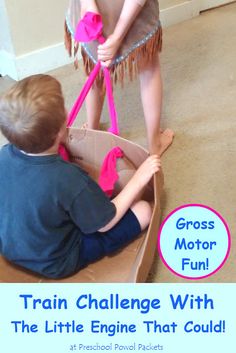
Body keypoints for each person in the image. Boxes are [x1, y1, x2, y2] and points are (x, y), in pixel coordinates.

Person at [0, 74, 161, 279]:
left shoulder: (4, 154)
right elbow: (105, 224)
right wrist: (139, 179)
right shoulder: (68, 177)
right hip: (58, 261)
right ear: (60, 129)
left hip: (11, 249)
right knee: (143, 210)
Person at [65, 0, 174, 155]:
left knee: (95, 69)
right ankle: (154, 143)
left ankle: (91, 130)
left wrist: (88, 5)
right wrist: (116, 36)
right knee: (149, 69)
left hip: (96, 9)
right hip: (130, 9)